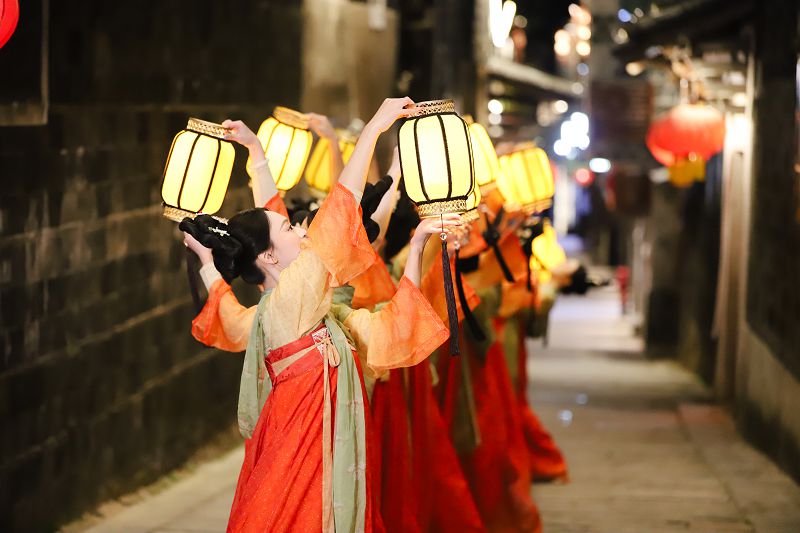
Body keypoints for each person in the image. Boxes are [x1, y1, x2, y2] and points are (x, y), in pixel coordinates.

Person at [182, 98, 461, 533]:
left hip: (321, 454)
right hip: (301, 456)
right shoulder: (288, 304)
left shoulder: (319, 311)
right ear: (269, 256)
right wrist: (373, 128)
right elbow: (337, 210)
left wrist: (419, 245)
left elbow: (387, 328)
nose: (300, 230)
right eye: (290, 228)